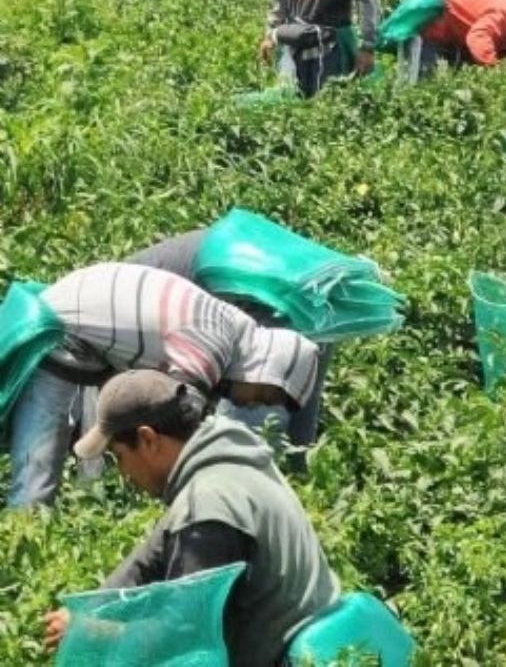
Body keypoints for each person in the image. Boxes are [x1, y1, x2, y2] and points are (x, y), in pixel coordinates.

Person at [41, 369, 340, 665]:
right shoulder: (227, 454)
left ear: (147, 439)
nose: (123, 473)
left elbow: (183, 638)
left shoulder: (206, 507)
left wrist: (94, 633)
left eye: (120, 456)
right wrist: (89, 609)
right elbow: (149, 558)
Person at [6, 262, 317, 507]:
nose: (253, 404)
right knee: (36, 476)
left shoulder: (228, 332)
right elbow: (183, 425)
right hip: (58, 335)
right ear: (263, 370)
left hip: (89, 342)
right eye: (264, 395)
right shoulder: (214, 346)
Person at [125, 227, 335, 464]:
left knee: (235, 442)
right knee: (289, 399)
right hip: (322, 284)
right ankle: (297, 476)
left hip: (280, 289)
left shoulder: (117, 312)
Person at [259, 0, 381, 98]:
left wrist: (367, 47)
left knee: (328, 103)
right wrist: (271, 32)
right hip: (293, 43)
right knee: (290, 104)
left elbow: (367, 0)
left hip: (331, 49)